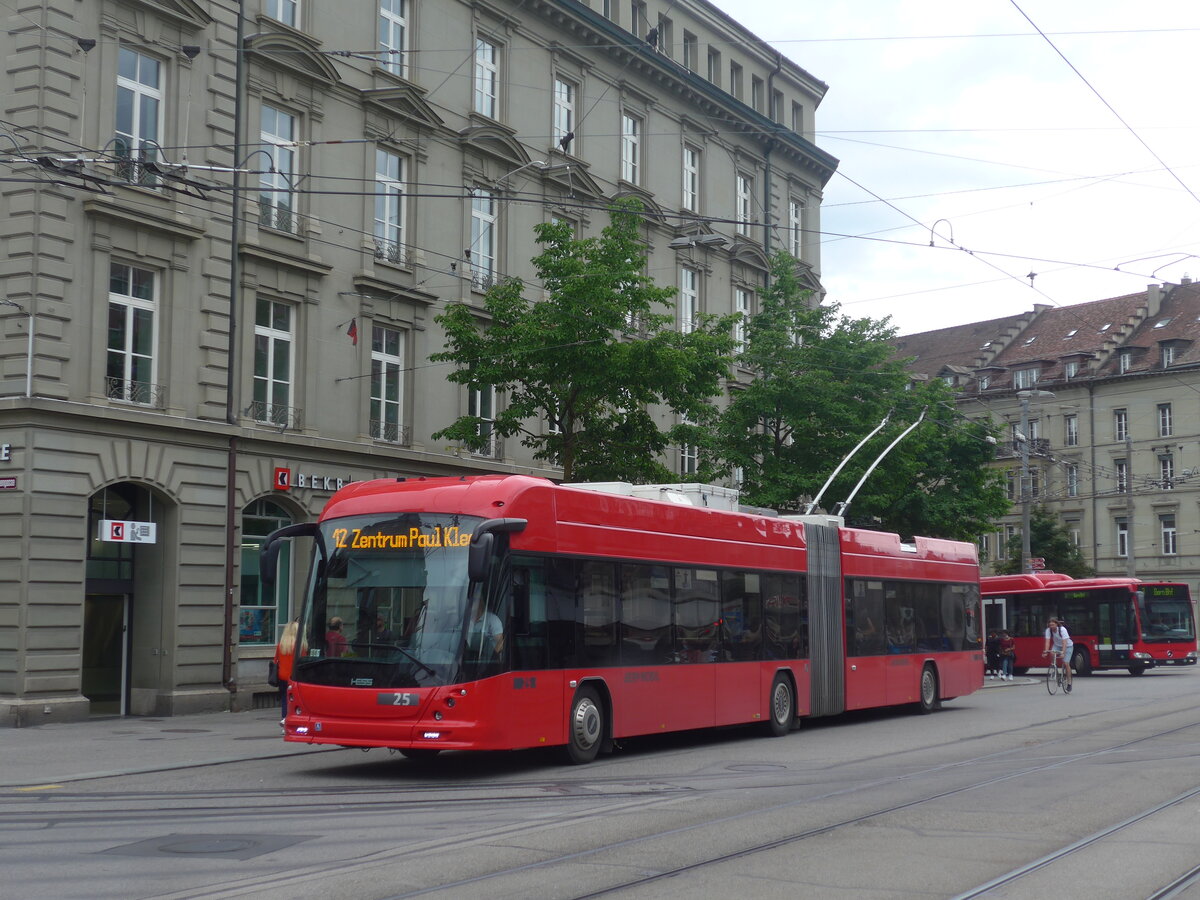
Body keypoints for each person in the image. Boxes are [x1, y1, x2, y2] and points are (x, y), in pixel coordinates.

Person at [274, 620, 300, 725]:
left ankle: (284, 719)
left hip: (282, 676)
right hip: (294, 677)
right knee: (296, 701)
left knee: (285, 700)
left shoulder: (281, 645)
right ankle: (293, 720)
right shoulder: (300, 646)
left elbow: (275, 660)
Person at [1042, 616, 1073, 692]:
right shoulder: (1048, 630)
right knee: (1052, 653)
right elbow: (1047, 641)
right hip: (1057, 645)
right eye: (1050, 625)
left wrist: (1063, 652)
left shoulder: (1062, 630)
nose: (1051, 626)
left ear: (1056, 624)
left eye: (1053, 625)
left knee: (1066, 663)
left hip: (1068, 646)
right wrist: (1046, 651)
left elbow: (1064, 642)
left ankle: (1069, 683)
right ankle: (1053, 668)